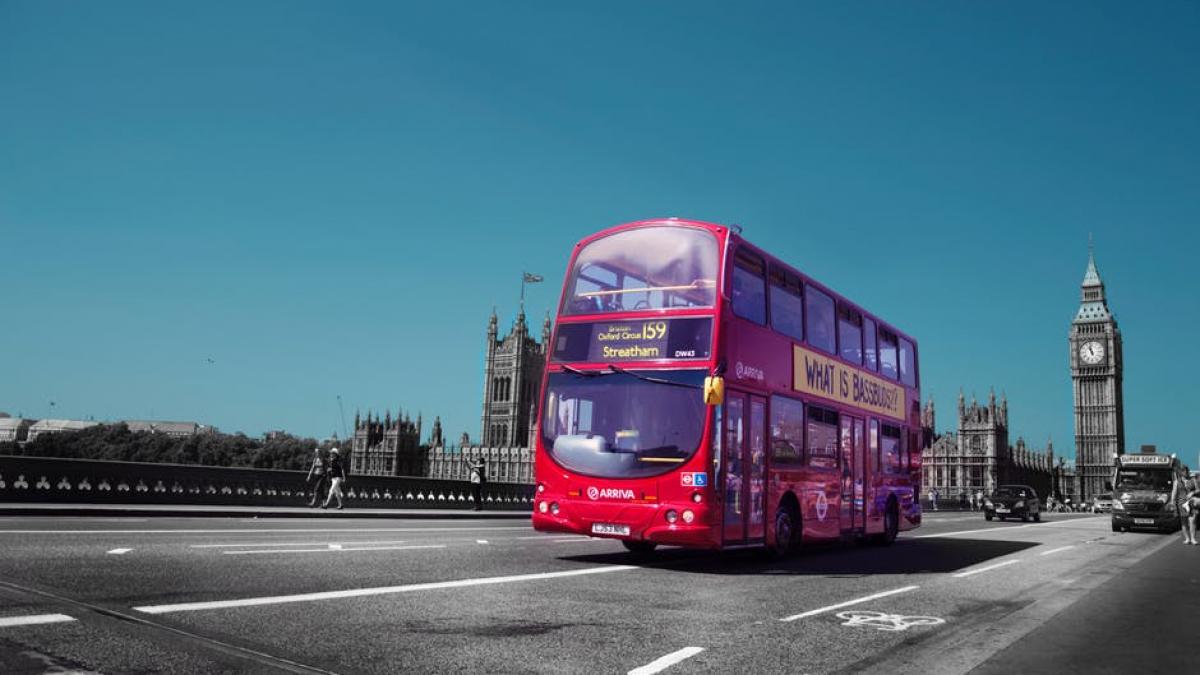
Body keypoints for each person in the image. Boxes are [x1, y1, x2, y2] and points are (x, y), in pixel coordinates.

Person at [1179, 473, 1199, 545]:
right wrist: (1173, 502)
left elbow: (1198, 490)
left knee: (1192, 521)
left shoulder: (1193, 480)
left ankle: (1193, 539)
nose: (1184, 473)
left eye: (1186, 471)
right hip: (1182, 503)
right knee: (1184, 521)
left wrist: (1192, 492)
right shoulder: (1177, 481)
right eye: (1183, 471)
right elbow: (1174, 492)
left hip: (1192, 502)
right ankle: (1187, 538)